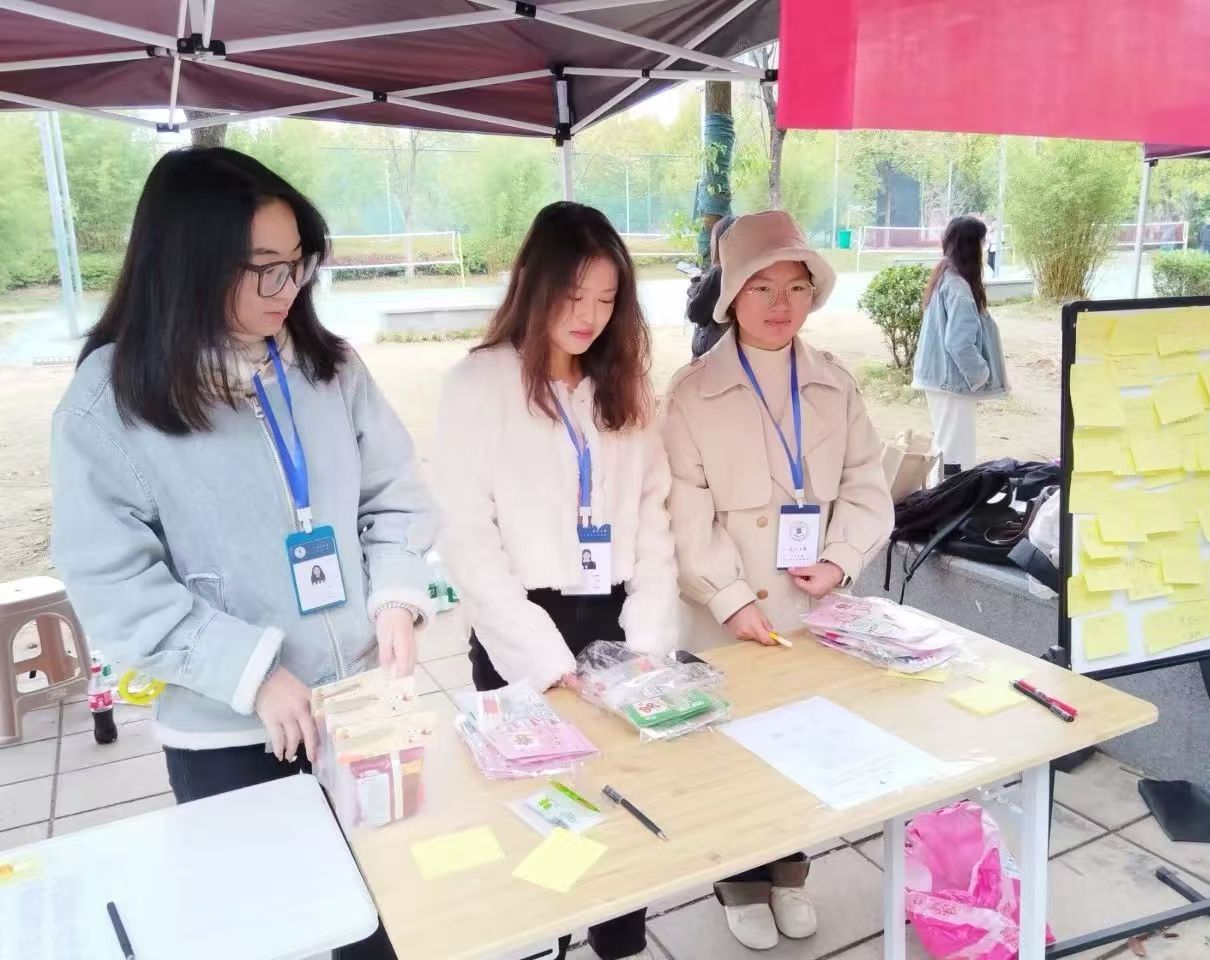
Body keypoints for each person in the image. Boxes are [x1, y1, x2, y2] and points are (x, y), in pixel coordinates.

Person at [49, 147, 435, 960]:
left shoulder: (329, 366)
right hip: (228, 736)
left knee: (379, 925)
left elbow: (392, 493)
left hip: (358, 709)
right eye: (263, 268)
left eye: (298, 263)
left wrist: (396, 598)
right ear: (188, 262)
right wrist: (251, 671)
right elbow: (112, 580)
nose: (287, 288)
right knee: (272, 931)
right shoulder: (112, 399)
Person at [432, 201, 678, 960]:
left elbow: (653, 514)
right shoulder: (478, 384)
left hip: (616, 622)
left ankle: (619, 944)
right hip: (521, 629)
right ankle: (545, 938)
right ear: (534, 286)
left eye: (606, 299)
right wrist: (541, 659)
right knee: (539, 813)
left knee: (626, 801)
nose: (589, 317)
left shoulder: (623, 385)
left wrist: (646, 642)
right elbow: (467, 538)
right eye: (574, 296)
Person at [663, 210, 894, 950]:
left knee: (803, 745)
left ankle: (790, 872)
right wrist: (729, 600)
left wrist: (841, 559)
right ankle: (738, 881)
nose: (780, 303)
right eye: (762, 287)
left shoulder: (834, 384)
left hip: (809, 606)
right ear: (731, 296)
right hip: (721, 616)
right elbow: (683, 512)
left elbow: (865, 484)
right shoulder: (691, 393)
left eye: (796, 286)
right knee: (732, 750)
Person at [912, 215, 1010, 477]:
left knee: (946, 448)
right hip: (952, 383)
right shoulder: (959, 288)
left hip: (940, 380)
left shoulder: (944, 277)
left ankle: (942, 496)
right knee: (955, 455)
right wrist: (982, 373)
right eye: (982, 243)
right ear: (972, 247)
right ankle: (949, 498)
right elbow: (959, 343)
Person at [686, 214, 738, 358]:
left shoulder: (719, 273)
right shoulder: (748, 270)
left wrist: (695, 286)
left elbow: (695, 313)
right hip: (736, 350)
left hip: (713, 351)